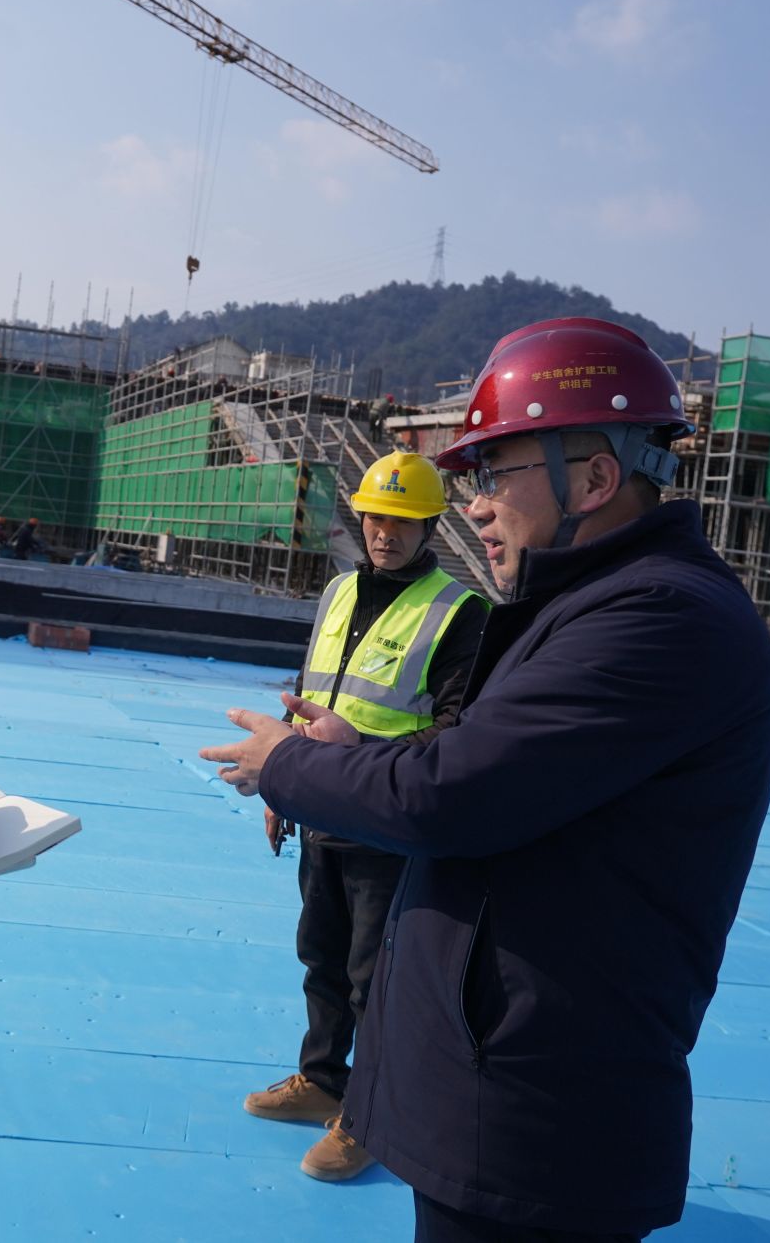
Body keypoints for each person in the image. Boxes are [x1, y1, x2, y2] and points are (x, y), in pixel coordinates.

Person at [201, 318, 770, 1241]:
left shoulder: (659, 618)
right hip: (497, 1086)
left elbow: (452, 791)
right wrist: (340, 754)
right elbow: (482, 763)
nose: (474, 506)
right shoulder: (588, 603)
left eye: (494, 473)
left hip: (536, 1117)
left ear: (594, 477)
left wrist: (291, 764)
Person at [242, 451, 485, 1183]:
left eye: (403, 521)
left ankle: (371, 1118)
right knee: (320, 953)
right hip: (322, 809)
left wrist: (361, 759)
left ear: (430, 526)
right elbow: (310, 692)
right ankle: (323, 1078)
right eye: (376, 516)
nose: (385, 532)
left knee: (376, 978)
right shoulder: (339, 590)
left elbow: (458, 729)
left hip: (386, 818)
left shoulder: (459, 612)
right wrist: (287, 785)